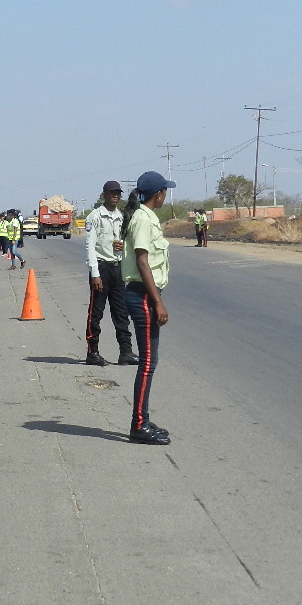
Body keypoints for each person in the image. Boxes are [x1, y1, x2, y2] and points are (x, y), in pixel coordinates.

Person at [120, 171, 175, 446]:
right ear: (159, 193)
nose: (166, 195)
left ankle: (143, 417)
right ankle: (138, 426)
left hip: (144, 294)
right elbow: (143, 262)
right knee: (147, 363)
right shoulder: (143, 218)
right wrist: (158, 302)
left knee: (148, 362)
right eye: (166, 191)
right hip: (143, 295)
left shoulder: (143, 216)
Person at [84, 181, 139, 367]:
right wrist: (95, 273)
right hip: (101, 268)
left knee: (121, 313)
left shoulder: (121, 216)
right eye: (112, 193)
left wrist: (122, 247)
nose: (115, 196)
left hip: (117, 268)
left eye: (118, 193)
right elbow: (90, 246)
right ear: (104, 195)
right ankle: (93, 352)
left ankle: (126, 352)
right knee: (96, 313)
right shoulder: (95, 216)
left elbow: (125, 242)